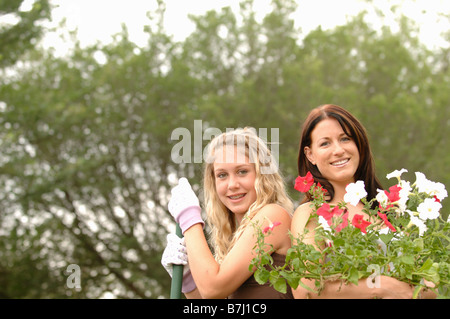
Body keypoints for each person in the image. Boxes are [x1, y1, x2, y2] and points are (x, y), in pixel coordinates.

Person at [291, 104, 435, 299]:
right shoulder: (311, 212)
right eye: (325, 143)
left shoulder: (387, 208)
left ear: (359, 144)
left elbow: (420, 282)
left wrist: (427, 287)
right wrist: (381, 287)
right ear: (310, 155)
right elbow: (304, 289)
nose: (338, 150)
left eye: (345, 139)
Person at [162, 127, 294, 299]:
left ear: (262, 174)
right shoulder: (232, 239)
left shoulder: (273, 216)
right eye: (222, 175)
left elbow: (213, 289)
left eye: (242, 171)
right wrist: (187, 278)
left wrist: (189, 219)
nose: (232, 184)